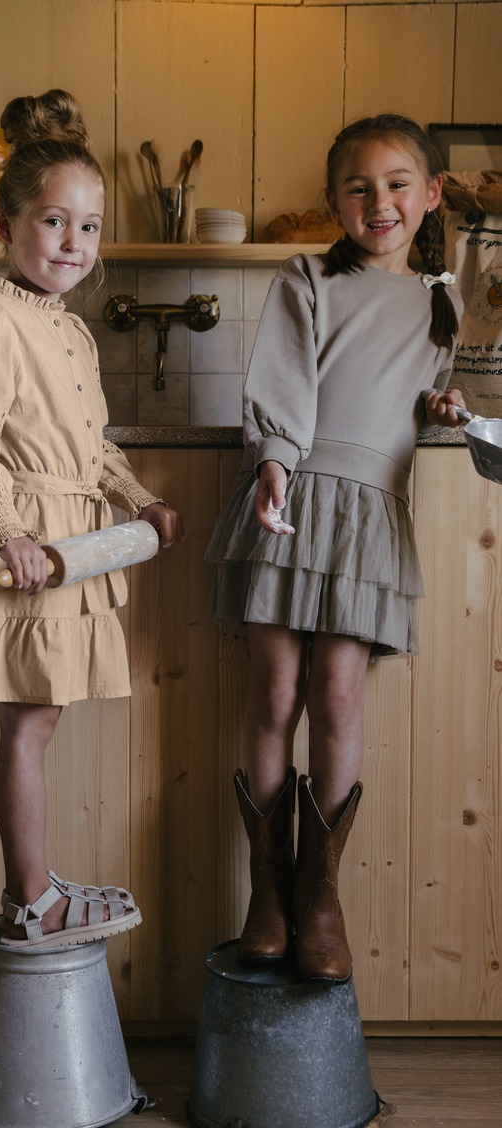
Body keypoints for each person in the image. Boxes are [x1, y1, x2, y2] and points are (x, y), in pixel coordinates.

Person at [206, 114, 465, 983]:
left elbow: (418, 391)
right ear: (333, 201)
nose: (378, 201)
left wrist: (440, 407)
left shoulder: (441, 298)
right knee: (274, 689)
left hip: (369, 516)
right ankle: (267, 888)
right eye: (358, 187)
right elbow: (282, 381)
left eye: (397, 184)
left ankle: (320, 893)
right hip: (291, 494)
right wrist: (274, 467)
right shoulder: (307, 276)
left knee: (338, 695)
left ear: (431, 195)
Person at [0, 89, 184, 950]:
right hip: (31, 552)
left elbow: (90, 449)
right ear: (5, 223)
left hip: (74, 549)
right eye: (53, 221)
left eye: (89, 226)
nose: (74, 242)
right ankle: (30, 899)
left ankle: (33, 890)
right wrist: (9, 533)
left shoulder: (73, 334)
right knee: (29, 728)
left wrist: (138, 500)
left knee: (40, 724)